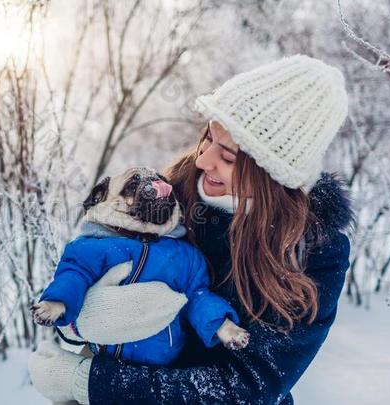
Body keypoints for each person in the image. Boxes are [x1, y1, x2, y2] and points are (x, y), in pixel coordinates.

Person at [28, 54, 354, 404]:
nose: (203, 160)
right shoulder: (169, 200)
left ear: (273, 177)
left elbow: (245, 388)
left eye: (227, 157)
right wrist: (80, 320)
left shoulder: (313, 253)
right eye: (208, 138)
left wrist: (89, 382)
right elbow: (92, 262)